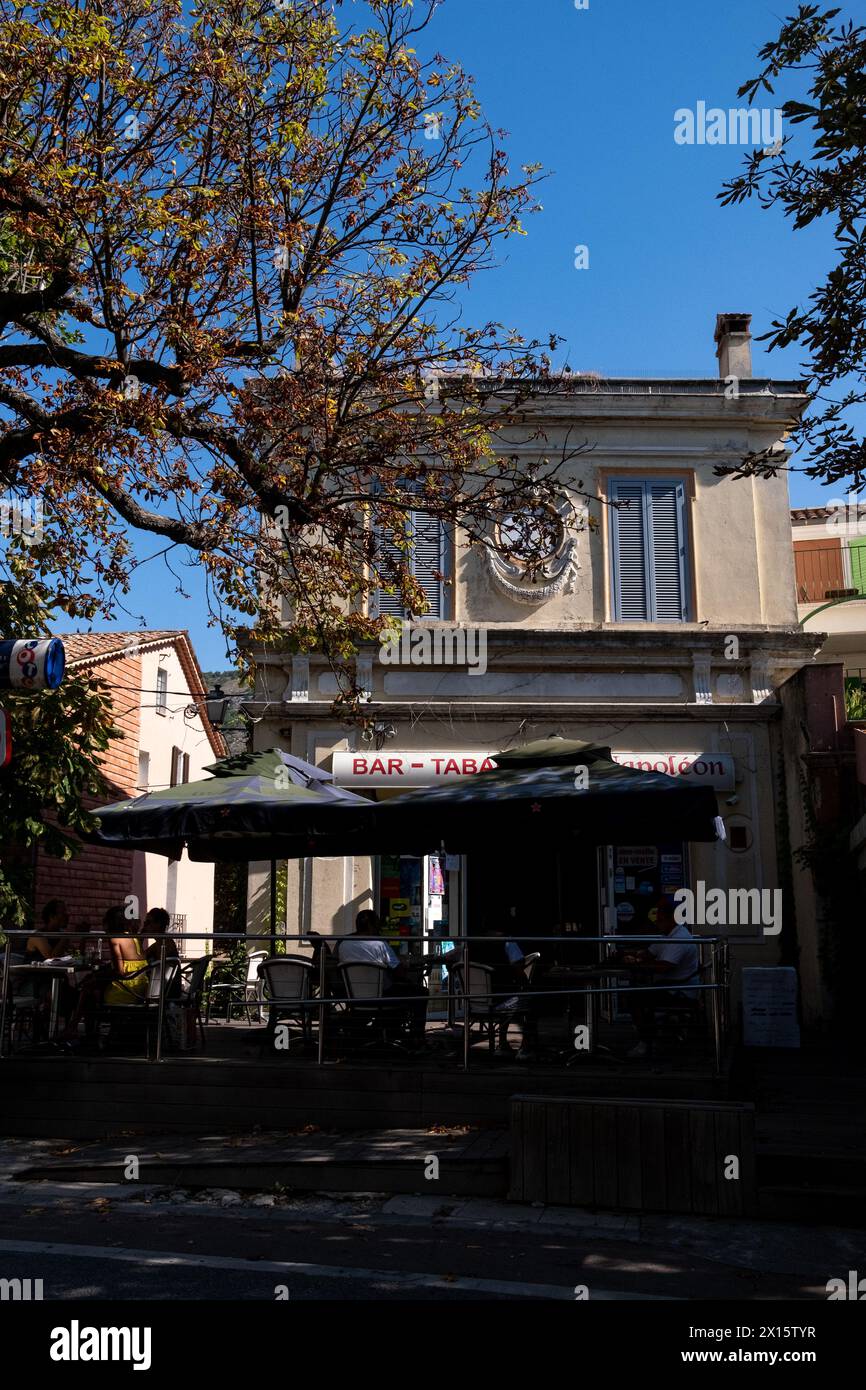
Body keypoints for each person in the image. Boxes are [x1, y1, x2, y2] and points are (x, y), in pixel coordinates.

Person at [619, 895, 701, 1059]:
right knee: (638, 995)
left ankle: (645, 1041)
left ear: (672, 919)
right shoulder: (667, 935)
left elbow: (664, 967)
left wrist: (638, 964)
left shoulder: (679, 939)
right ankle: (651, 1031)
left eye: (660, 919)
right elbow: (650, 952)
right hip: (668, 987)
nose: (657, 923)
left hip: (679, 992)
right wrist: (636, 954)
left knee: (635, 998)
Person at [337, 909, 428, 1046]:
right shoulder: (379, 944)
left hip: (354, 996)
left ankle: (387, 1029)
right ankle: (415, 1038)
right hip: (382, 996)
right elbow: (399, 972)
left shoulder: (344, 944)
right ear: (372, 926)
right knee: (421, 993)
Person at [469, 921, 535, 1059]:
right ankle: (526, 1047)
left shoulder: (470, 944)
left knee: (510, 998)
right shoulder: (507, 942)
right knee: (530, 1001)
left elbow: (452, 959)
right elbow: (519, 965)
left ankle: (503, 1043)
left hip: (474, 1001)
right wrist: (526, 985)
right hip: (500, 999)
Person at [102, 905, 150, 1005]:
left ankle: (76, 1020)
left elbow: (119, 971)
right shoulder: (135, 938)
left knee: (92, 989)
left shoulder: (115, 939)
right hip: (142, 989)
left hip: (126, 991)